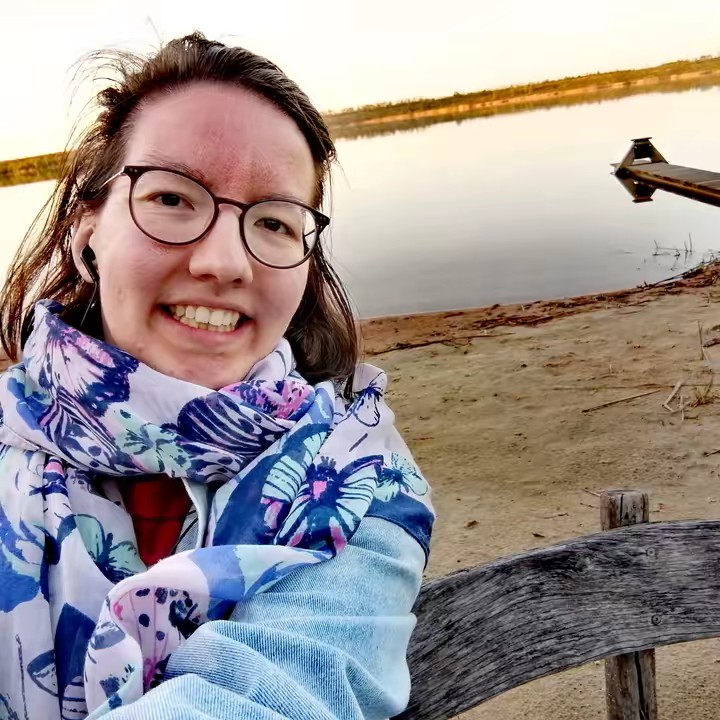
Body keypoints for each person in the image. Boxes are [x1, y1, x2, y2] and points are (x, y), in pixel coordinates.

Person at [0, 32, 433, 720]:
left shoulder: (355, 477)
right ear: (89, 232)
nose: (225, 263)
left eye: (275, 222)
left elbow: (280, 686)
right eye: (172, 198)